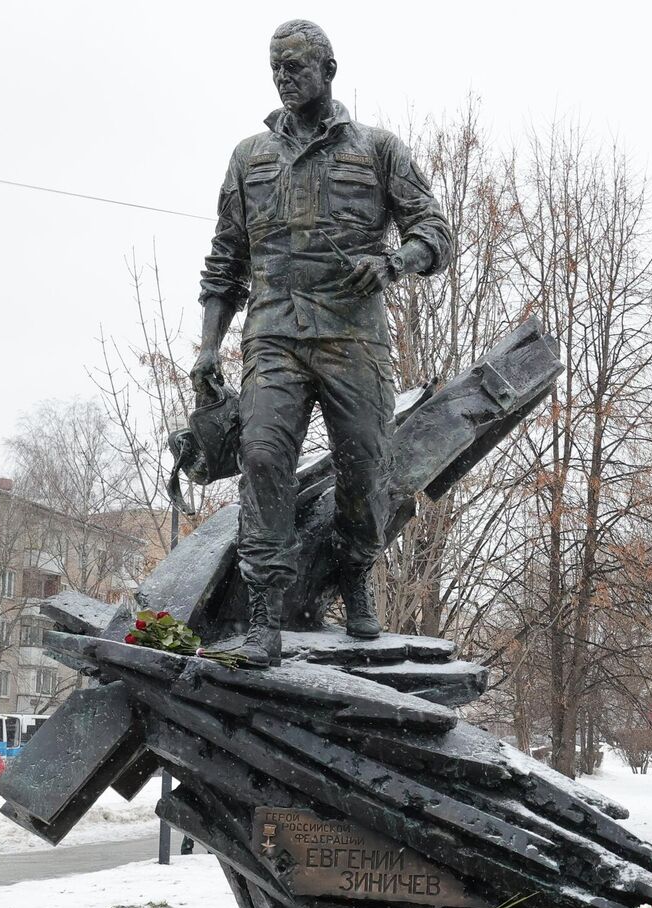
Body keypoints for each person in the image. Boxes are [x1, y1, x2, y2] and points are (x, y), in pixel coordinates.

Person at [191, 18, 455, 664]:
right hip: (274, 338)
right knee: (262, 461)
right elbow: (225, 261)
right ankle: (264, 614)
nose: (285, 78)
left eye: (297, 67)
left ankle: (356, 575)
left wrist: (395, 262)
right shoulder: (249, 158)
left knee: (365, 467)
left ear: (329, 71)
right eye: (276, 68)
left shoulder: (378, 150)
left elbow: (435, 232)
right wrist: (206, 347)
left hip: (353, 340)